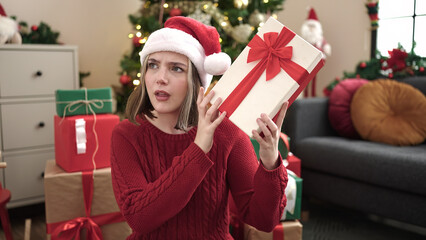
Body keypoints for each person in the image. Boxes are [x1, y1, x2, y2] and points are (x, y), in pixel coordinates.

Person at [110, 16, 288, 239]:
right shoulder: (126, 134)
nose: (160, 78)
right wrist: (198, 149)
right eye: (153, 65)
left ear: (197, 82)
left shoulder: (227, 132)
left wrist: (270, 161)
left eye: (176, 69)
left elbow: (263, 220)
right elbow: (139, 218)